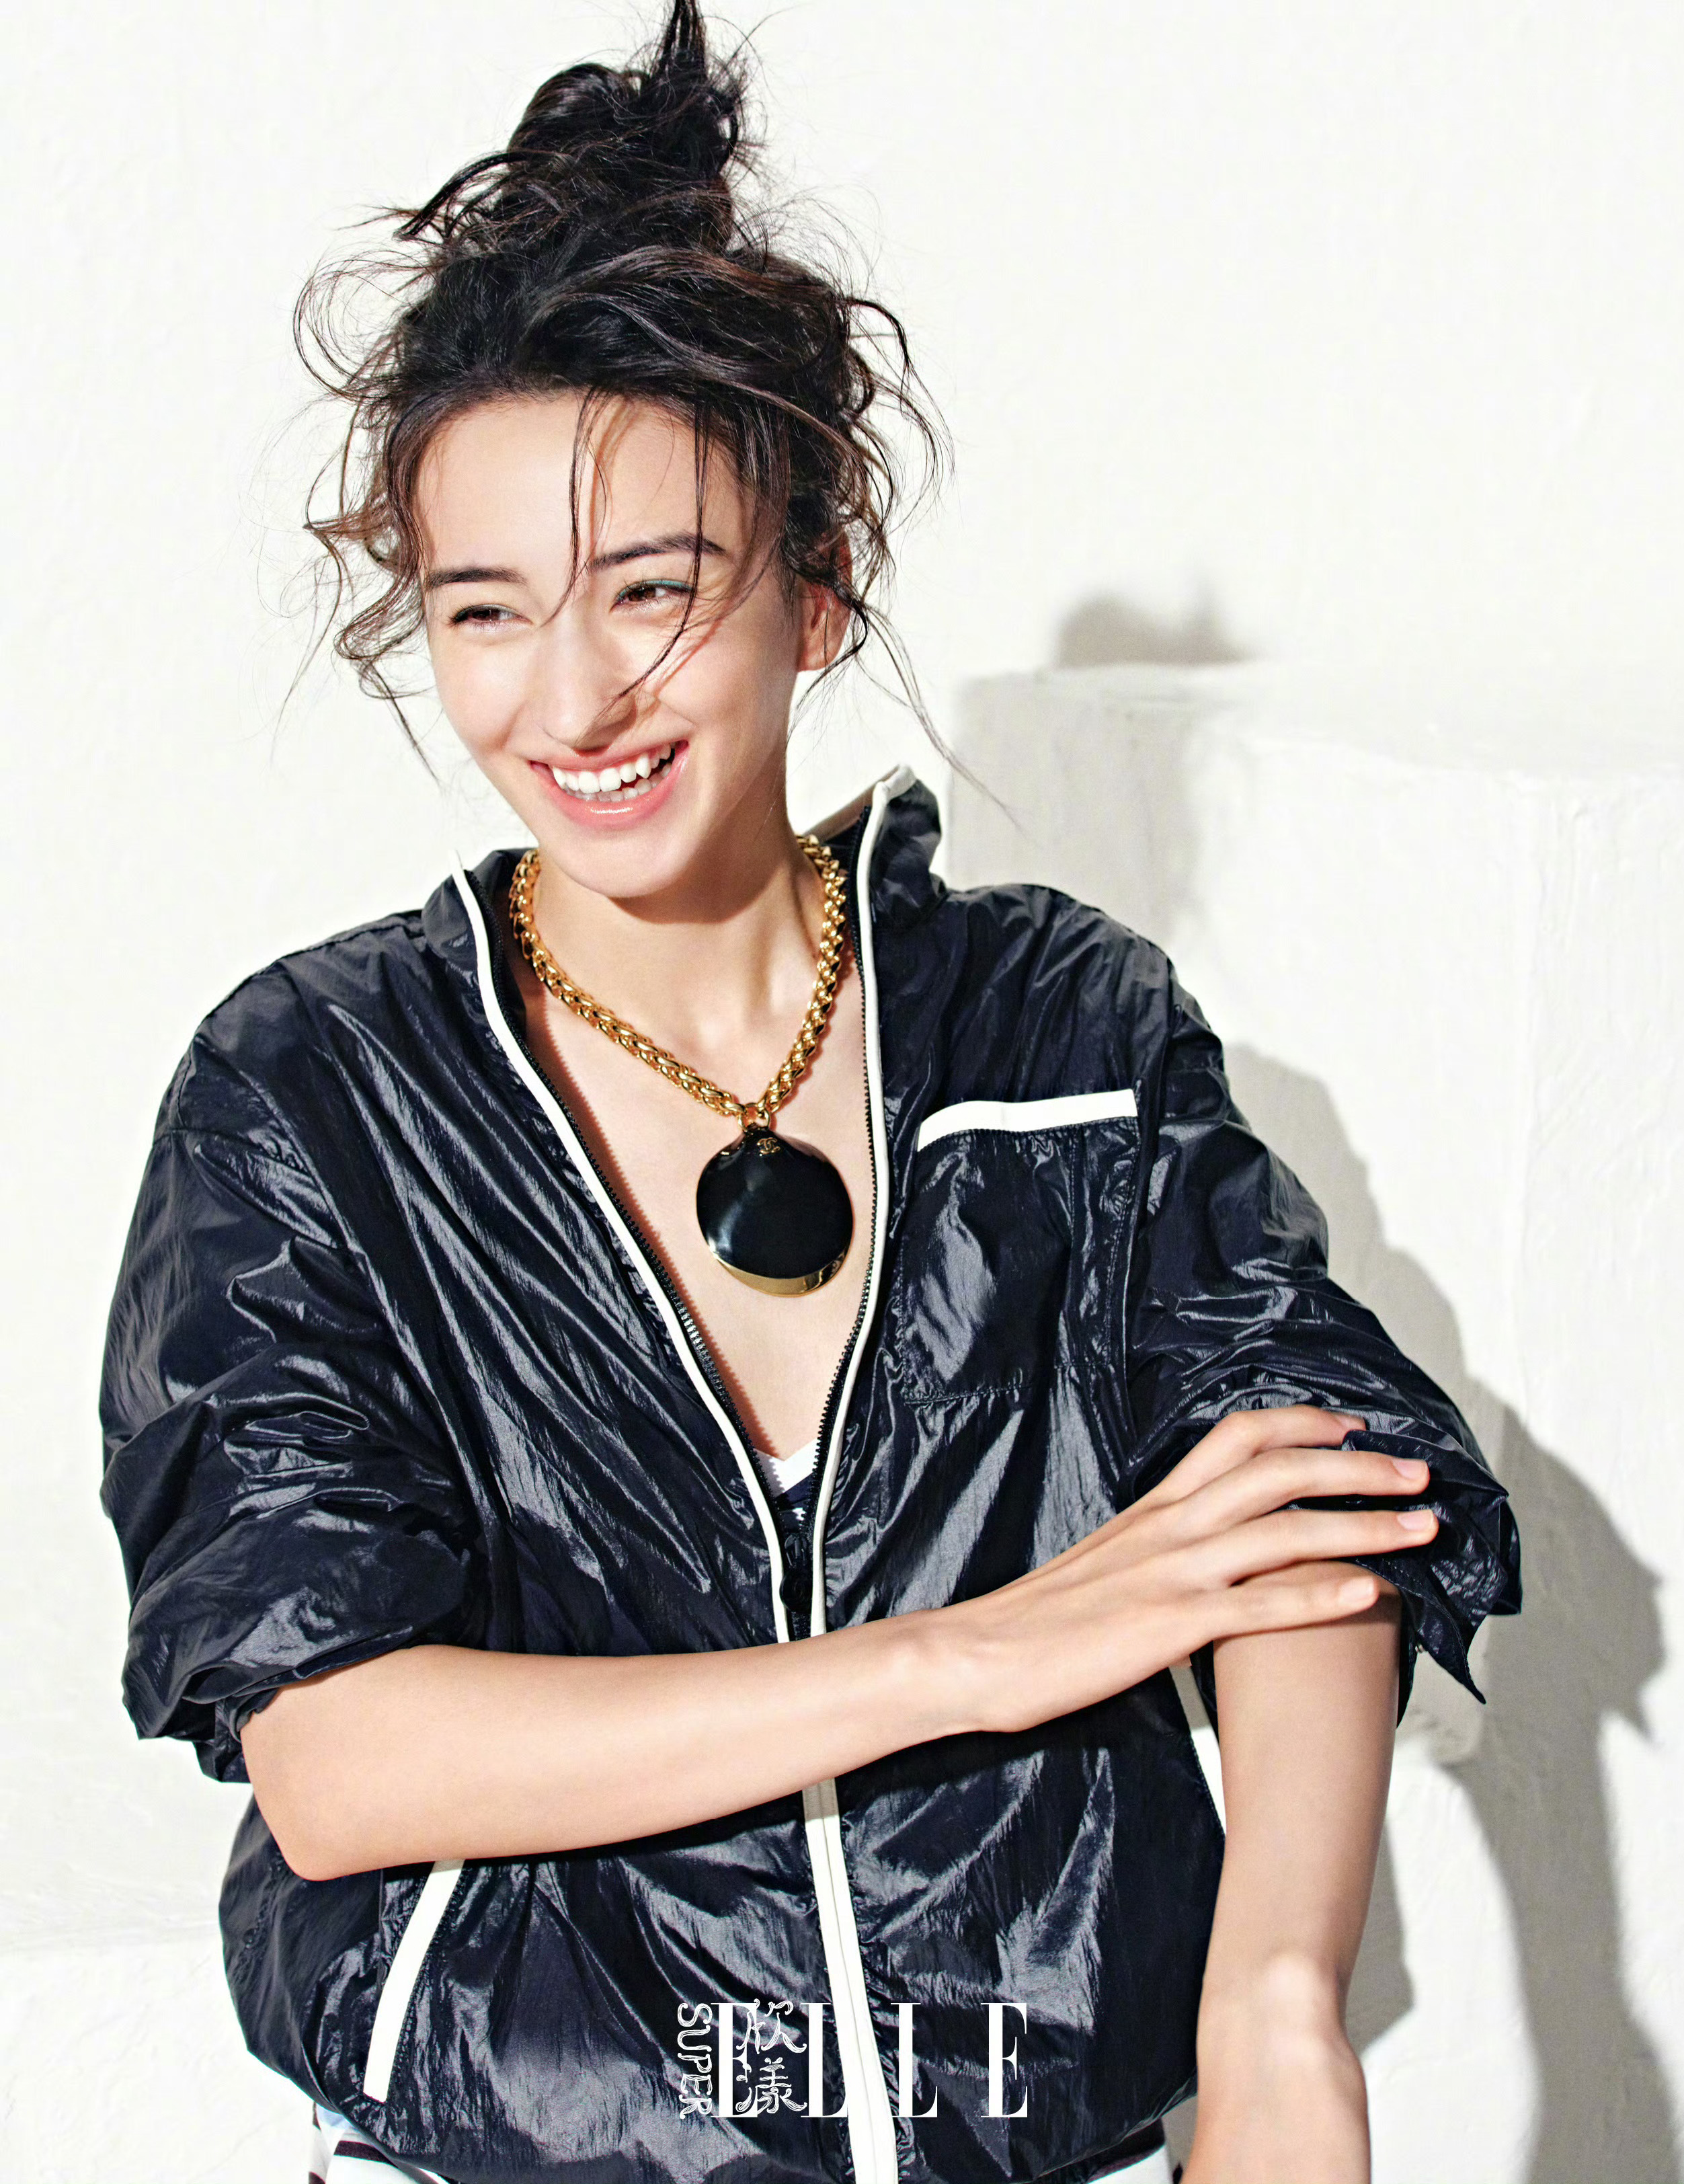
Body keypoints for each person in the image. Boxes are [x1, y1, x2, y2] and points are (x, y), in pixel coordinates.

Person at [99, 7, 1519, 2182]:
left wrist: (1277, 2013)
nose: (573, 697)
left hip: (1043, 2129)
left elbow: (1298, 1484)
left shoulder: (1051, 1026)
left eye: (654, 593)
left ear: (816, 586)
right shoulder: (312, 1100)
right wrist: (984, 1656)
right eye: (487, 613)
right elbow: (343, 1756)